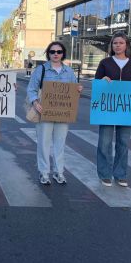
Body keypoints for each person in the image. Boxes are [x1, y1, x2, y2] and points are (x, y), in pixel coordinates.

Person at [27, 41, 82, 185]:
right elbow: (31, 89)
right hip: (44, 112)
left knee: (60, 143)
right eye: (52, 52)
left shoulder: (69, 71)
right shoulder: (41, 70)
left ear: (63, 54)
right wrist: (35, 102)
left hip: (63, 113)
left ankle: (59, 172)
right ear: (48, 53)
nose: (56, 54)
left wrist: (78, 90)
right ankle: (44, 173)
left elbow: (74, 91)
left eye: (59, 52)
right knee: (44, 144)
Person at [95, 31, 131, 188]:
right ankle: (105, 174)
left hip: (126, 110)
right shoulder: (105, 63)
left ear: (126, 45)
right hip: (108, 109)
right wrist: (102, 80)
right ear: (112, 45)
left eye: (121, 43)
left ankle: (120, 175)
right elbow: (96, 84)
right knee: (104, 142)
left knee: (123, 142)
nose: (118, 45)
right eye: (115, 43)